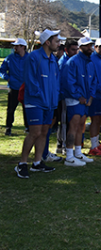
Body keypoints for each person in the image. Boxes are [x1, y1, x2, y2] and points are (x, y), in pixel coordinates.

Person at [15, 29, 62, 178]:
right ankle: (22, 163)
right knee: (34, 132)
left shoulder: (53, 59)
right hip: (35, 102)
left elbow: (55, 82)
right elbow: (30, 80)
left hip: (49, 103)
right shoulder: (34, 57)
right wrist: (40, 96)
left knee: (44, 132)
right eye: (56, 41)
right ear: (47, 42)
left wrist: (54, 99)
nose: (59, 44)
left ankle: (37, 163)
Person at [62, 36, 97, 166]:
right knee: (73, 125)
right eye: (87, 45)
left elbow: (93, 81)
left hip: (85, 100)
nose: (90, 48)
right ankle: (69, 156)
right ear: (81, 47)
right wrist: (79, 97)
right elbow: (68, 82)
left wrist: (90, 97)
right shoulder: (72, 62)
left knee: (81, 125)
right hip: (74, 99)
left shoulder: (90, 62)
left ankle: (78, 152)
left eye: (91, 45)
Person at [1, 38, 29, 136]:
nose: (15, 47)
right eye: (15, 45)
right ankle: (8, 128)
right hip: (14, 87)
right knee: (11, 109)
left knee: (27, 109)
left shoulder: (30, 58)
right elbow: (2, 70)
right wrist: (8, 78)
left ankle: (28, 127)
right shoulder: (10, 58)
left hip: (26, 88)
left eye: (17, 46)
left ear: (23, 47)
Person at [55, 40, 79, 153]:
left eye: (76, 49)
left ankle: (62, 144)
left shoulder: (72, 60)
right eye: (72, 50)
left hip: (70, 95)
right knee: (64, 121)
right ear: (66, 50)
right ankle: (63, 145)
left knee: (69, 121)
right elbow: (64, 82)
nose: (75, 52)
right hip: (64, 96)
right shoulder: (64, 62)